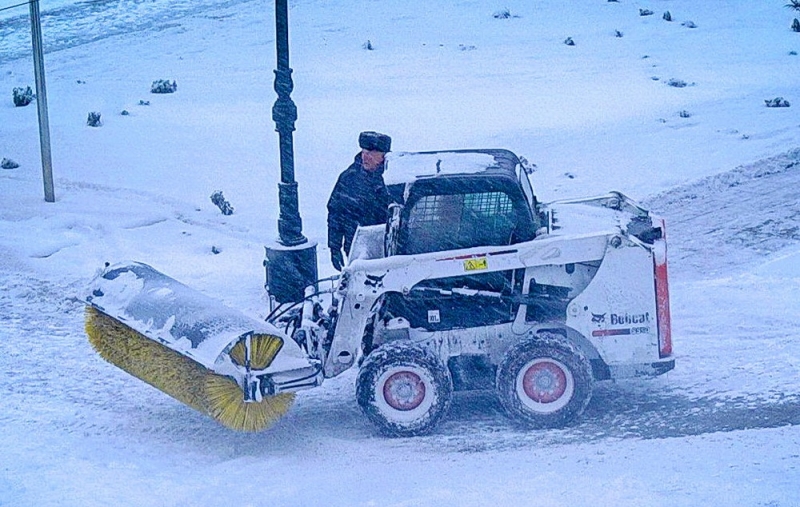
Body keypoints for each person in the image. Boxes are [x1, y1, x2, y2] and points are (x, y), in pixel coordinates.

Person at [327, 131, 392, 271]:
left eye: (371, 153)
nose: (365, 157)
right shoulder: (348, 179)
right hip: (357, 249)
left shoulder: (394, 179)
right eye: (363, 152)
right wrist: (334, 247)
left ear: (383, 155)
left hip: (389, 248)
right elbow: (335, 214)